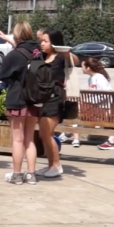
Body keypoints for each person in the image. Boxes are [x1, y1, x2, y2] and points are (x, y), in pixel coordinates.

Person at [0, 21, 41, 185]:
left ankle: (16, 174)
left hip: (17, 98)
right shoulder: (38, 51)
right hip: (34, 100)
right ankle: (31, 174)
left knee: (17, 139)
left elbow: (2, 75)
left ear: (16, 35)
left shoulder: (14, 54)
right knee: (29, 139)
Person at [35, 29, 73, 178]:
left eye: (46, 41)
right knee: (43, 135)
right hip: (41, 98)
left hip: (54, 98)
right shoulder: (42, 56)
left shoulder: (61, 57)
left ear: (54, 43)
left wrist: (66, 52)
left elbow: (75, 60)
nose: (42, 44)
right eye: (42, 41)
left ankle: (56, 165)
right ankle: (50, 165)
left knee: (46, 133)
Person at [80, 58, 114, 150]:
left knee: (77, 109)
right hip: (96, 107)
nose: (81, 68)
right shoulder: (91, 78)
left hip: (103, 107)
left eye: (83, 66)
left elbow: (105, 94)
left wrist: (90, 103)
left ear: (88, 68)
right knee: (78, 107)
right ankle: (71, 132)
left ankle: (69, 133)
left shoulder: (99, 77)